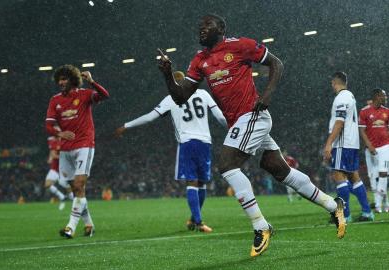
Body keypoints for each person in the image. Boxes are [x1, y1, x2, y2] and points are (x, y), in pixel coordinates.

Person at [157, 14, 345, 257]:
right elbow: (180, 97)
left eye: (208, 25)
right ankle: (333, 205)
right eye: (200, 26)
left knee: (227, 164)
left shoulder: (239, 45)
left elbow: (276, 63)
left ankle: (261, 225)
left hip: (253, 115)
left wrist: (266, 96)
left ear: (221, 29)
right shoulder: (200, 60)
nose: (202, 29)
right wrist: (167, 74)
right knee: (278, 169)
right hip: (240, 122)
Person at [116, 71, 227, 232]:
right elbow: (221, 117)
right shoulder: (203, 94)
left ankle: (197, 221)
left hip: (188, 143)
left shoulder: (171, 98)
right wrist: (234, 128)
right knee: (201, 183)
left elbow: (149, 117)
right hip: (205, 142)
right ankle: (196, 220)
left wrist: (126, 125)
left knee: (192, 182)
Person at [46, 64, 109, 238]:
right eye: (59, 79)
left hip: (84, 145)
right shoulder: (55, 100)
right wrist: (60, 133)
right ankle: (89, 224)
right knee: (76, 190)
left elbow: (105, 95)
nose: (61, 82)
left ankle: (70, 227)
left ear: (72, 80)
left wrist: (92, 82)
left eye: (64, 79)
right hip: (66, 149)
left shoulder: (85, 94)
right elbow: (49, 125)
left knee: (80, 185)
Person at [323, 72, 373, 223]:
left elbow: (339, 122)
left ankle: (345, 215)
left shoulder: (342, 97)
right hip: (352, 143)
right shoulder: (350, 96)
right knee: (354, 177)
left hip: (342, 143)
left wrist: (329, 143)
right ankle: (367, 212)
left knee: (339, 176)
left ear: (334, 82)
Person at [359, 88, 389, 213]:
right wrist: (369, 145)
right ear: (377, 96)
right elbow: (361, 130)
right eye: (384, 96)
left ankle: (377, 205)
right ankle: (385, 203)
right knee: (373, 176)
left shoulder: (387, 111)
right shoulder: (365, 111)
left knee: (383, 173)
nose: (386, 98)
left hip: (385, 146)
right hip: (370, 148)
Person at [44, 136, 73, 210]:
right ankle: (61, 196)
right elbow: (52, 153)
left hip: (63, 170)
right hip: (54, 169)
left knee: (68, 188)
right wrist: (51, 157)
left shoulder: (66, 143)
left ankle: (75, 201)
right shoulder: (53, 141)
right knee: (47, 184)